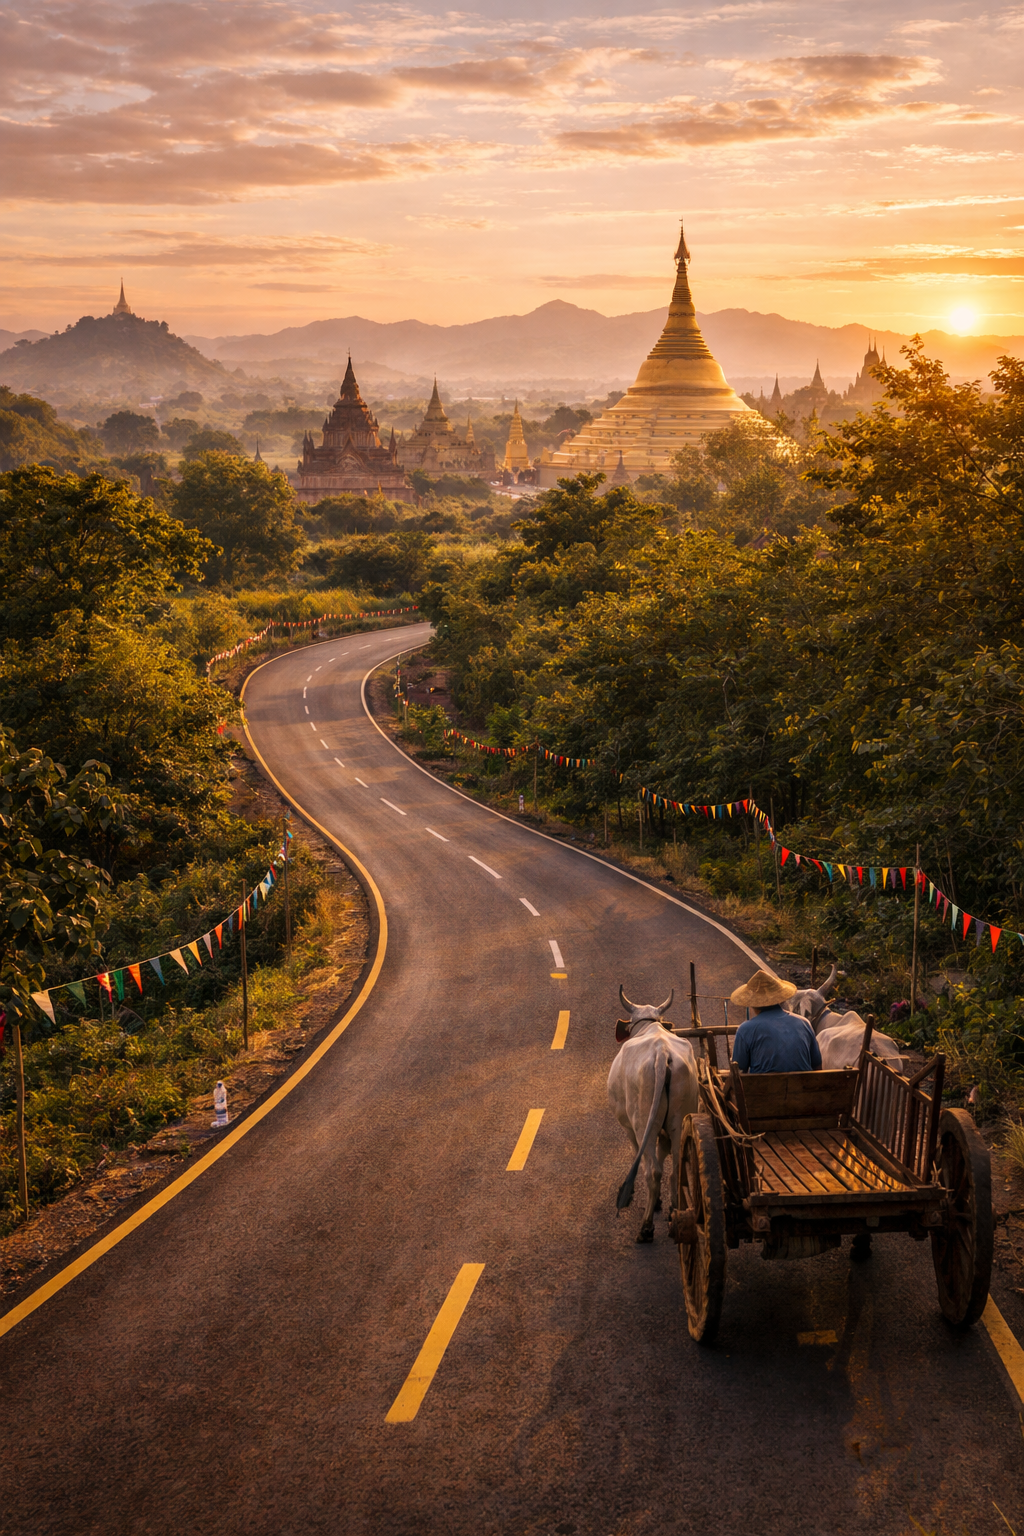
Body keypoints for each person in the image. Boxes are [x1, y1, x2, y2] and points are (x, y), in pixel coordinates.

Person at [730, 970, 821, 1073]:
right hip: (804, 1082)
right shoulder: (804, 1023)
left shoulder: (745, 1029)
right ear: (780, 999)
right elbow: (817, 1064)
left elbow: (739, 1068)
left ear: (752, 1004)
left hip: (763, 1083)